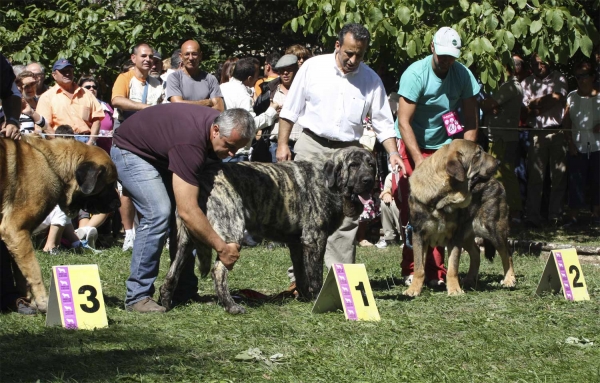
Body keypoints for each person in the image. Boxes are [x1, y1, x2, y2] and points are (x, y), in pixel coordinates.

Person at [277, 23, 403, 270]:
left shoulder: (371, 80)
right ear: (337, 46)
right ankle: (302, 276)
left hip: (349, 152)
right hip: (311, 144)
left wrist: (394, 152)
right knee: (305, 209)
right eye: (349, 53)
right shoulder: (313, 68)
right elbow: (290, 109)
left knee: (347, 214)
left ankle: (340, 279)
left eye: (360, 54)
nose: (353, 59)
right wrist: (283, 144)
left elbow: (384, 123)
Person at [110, 104, 255, 313]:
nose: (232, 153)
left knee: (184, 218)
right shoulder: (190, 143)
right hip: (131, 151)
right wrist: (222, 248)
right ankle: (137, 296)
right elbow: (188, 211)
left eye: (237, 149)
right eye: (229, 146)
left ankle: (183, 290)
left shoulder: (217, 129)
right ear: (215, 131)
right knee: (158, 212)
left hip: (162, 152)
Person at [395, 26, 480, 287]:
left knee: (446, 211)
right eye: (442, 54)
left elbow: (471, 119)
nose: (445, 61)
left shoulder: (463, 75)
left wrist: (467, 157)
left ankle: (439, 272)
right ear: (432, 47)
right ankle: (412, 268)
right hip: (416, 146)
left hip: (445, 149)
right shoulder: (415, 74)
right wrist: (420, 162)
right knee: (415, 211)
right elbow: (403, 121)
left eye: (451, 56)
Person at [112, 43, 165, 251]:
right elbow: (116, 100)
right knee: (126, 187)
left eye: (151, 57)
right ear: (133, 58)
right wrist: (146, 108)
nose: (148, 60)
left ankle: (148, 230)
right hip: (127, 136)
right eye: (143, 56)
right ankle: (129, 233)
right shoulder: (125, 78)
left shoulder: (157, 83)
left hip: (149, 139)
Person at [521, 54, 568, 227]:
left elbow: (558, 97)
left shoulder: (559, 77)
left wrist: (536, 105)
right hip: (536, 134)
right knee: (535, 177)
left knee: (558, 177)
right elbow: (525, 110)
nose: (539, 66)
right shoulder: (526, 83)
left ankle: (555, 216)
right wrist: (548, 100)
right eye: (535, 63)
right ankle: (533, 216)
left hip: (557, 132)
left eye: (542, 63)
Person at [480, 57, 524, 222]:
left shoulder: (510, 86)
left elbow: (486, 105)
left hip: (502, 138)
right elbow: (490, 105)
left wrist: (486, 103)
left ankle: (512, 212)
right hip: (500, 137)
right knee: (501, 173)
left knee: (502, 174)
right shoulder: (508, 86)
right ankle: (507, 211)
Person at [220, 57, 280, 162]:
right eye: (257, 76)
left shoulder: (221, 87)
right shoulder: (243, 96)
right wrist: (271, 111)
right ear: (249, 78)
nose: (257, 79)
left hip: (221, 150)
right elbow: (248, 125)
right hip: (237, 153)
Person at [562, 60, 600, 227]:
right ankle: (573, 217)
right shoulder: (571, 97)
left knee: (598, 181)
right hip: (578, 145)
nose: (581, 79)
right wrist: (570, 143)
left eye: (584, 75)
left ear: (592, 77)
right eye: (578, 76)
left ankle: (596, 215)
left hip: (599, 146)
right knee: (575, 181)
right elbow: (566, 123)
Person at [36, 59, 104, 144]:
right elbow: (44, 126)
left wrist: (91, 141)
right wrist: (59, 142)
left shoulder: (86, 94)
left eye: (69, 70)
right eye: (63, 71)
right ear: (54, 75)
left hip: (86, 141)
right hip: (60, 142)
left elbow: (96, 120)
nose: (67, 74)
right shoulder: (47, 97)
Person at [166, 40, 224, 112]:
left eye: (194, 54)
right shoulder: (174, 78)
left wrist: (186, 104)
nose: (191, 58)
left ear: (200, 56)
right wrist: (204, 103)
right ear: (181, 56)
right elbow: (177, 105)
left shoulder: (210, 79)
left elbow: (220, 108)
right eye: (187, 54)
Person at [267, 54, 302, 162]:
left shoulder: (302, 91)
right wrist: (272, 112)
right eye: (282, 71)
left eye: (289, 70)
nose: (285, 73)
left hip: (299, 146)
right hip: (276, 146)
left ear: (296, 71)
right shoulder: (270, 91)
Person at [79, 75, 114, 154]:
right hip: (87, 150)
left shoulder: (106, 106)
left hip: (107, 150)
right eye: (88, 87)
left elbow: (115, 123)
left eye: (94, 87)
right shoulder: (76, 106)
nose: (92, 89)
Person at [375, 170, 402, 249]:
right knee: (384, 203)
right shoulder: (391, 176)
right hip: (398, 200)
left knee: (395, 204)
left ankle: (404, 237)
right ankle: (389, 238)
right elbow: (385, 192)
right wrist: (387, 193)